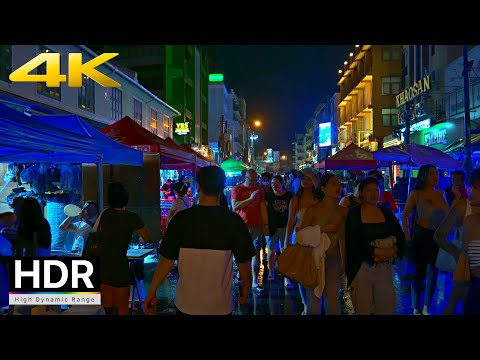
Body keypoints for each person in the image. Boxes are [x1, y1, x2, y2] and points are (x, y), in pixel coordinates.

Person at [144, 166, 256, 315]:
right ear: (222, 189)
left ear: (198, 187)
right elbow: (243, 261)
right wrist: (246, 286)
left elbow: (167, 260)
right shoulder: (234, 221)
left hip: (186, 304)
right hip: (220, 305)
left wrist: (152, 291)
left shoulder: (181, 219)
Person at [345, 177, 406, 315]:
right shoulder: (354, 213)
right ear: (361, 193)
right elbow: (354, 241)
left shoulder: (386, 212)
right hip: (363, 267)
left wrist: (393, 250)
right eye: (368, 190)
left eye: (376, 190)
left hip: (384, 267)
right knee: (363, 307)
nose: (373, 194)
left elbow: (400, 236)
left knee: (385, 305)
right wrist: (375, 252)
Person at [98, 182, 152, 315]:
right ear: (126, 198)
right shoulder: (132, 217)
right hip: (119, 266)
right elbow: (147, 238)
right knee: (122, 309)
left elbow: (98, 234)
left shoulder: (105, 214)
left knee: (107, 309)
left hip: (103, 265)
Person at [402, 164, 449, 315]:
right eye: (431, 174)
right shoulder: (416, 194)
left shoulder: (440, 194)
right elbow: (405, 215)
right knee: (419, 272)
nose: (436, 176)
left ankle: (427, 306)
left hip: (436, 236)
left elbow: (448, 216)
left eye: (436, 173)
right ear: (423, 176)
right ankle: (416, 307)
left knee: (433, 272)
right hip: (421, 235)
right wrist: (407, 235)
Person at [434, 168, 480, 315]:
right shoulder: (464, 207)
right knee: (456, 304)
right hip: (469, 276)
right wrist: (456, 253)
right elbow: (439, 235)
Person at [300, 174, 348, 315]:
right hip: (314, 258)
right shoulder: (313, 210)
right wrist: (322, 229)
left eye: (339, 184)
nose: (338, 187)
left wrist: (343, 261)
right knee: (314, 297)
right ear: (323, 188)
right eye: (333, 184)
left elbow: (343, 238)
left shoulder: (343, 211)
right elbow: (302, 235)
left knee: (332, 297)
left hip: (334, 257)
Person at [231, 168, 268, 292]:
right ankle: (240, 276)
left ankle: (254, 282)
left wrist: (265, 225)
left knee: (256, 253)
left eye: (255, 180)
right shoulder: (237, 189)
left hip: (256, 226)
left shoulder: (260, 190)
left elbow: (262, 207)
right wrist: (251, 198)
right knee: (242, 254)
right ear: (245, 177)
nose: (253, 182)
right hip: (241, 226)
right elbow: (235, 207)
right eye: (251, 180)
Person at [284, 169, 319, 298]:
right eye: (304, 178)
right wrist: (286, 241)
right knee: (301, 269)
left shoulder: (318, 199)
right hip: (299, 236)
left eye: (309, 178)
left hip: (316, 237)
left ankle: (314, 299)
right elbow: (290, 221)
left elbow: (323, 192)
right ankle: (305, 302)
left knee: (316, 267)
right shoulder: (295, 200)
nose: (306, 181)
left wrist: (312, 175)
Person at [265, 175, 292, 280]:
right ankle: (271, 271)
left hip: (285, 226)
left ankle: (286, 276)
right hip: (272, 227)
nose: (274, 185)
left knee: (284, 251)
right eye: (272, 183)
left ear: (282, 184)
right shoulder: (268, 196)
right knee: (271, 251)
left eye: (276, 183)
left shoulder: (289, 195)